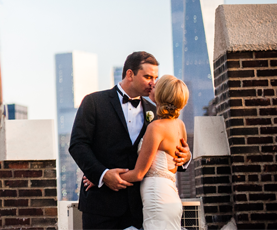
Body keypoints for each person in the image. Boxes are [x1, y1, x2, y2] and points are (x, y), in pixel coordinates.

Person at [69, 51, 191, 229]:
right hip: (101, 205)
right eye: (148, 76)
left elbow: (168, 151)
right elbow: (78, 145)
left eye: (156, 78)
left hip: (140, 207)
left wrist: (186, 157)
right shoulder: (93, 102)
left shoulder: (157, 111)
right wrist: (102, 175)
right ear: (130, 74)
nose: (153, 83)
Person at [119, 75, 189, 230]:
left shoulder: (156, 127)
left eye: (156, 85)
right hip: (171, 196)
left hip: (157, 196)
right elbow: (181, 157)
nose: (152, 86)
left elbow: (138, 174)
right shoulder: (180, 125)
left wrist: (104, 176)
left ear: (162, 94)